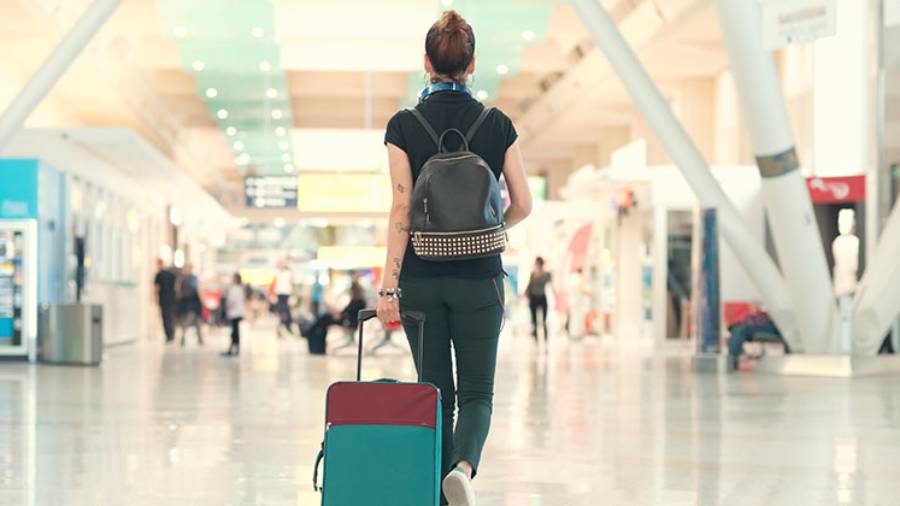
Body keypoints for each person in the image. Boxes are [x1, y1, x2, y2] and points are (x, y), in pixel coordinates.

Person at [377, 10, 532, 505]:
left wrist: (388, 287)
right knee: (477, 394)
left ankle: (438, 496)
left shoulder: (404, 125)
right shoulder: (497, 124)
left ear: (426, 62)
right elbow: (524, 203)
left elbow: (402, 208)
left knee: (435, 393)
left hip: (421, 279)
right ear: (472, 65)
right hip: (480, 283)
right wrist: (488, 234)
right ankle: (463, 469)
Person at [304, 281, 368, 355]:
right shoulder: (358, 301)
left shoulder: (358, 302)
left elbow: (346, 312)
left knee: (325, 318)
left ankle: (312, 333)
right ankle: (314, 334)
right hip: (347, 320)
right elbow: (346, 311)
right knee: (325, 318)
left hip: (349, 322)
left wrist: (338, 314)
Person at [176, 263, 204, 347]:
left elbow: (178, 290)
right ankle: (197, 338)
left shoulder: (184, 278)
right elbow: (198, 289)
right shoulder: (191, 278)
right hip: (191, 301)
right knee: (192, 319)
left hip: (188, 301)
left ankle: (197, 338)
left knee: (193, 320)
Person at [526, 257, 552, 342]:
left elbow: (551, 283)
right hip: (533, 298)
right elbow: (529, 286)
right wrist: (526, 295)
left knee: (544, 320)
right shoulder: (533, 274)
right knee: (534, 320)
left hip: (542, 298)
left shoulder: (546, 274)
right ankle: (536, 338)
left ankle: (545, 338)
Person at [153, 259, 177, 343]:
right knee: (170, 317)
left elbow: (156, 288)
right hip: (171, 299)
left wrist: (154, 299)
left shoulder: (159, 275)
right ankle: (172, 334)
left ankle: (169, 335)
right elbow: (176, 286)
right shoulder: (171, 274)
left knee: (165, 317)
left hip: (163, 299)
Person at [223, 273, 246, 357]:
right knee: (235, 331)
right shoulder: (240, 289)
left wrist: (228, 310)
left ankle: (232, 349)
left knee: (234, 332)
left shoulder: (234, 289)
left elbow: (232, 301)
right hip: (239, 312)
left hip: (234, 313)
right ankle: (235, 348)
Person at [273, 263, 294, 338]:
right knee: (282, 312)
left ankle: (286, 327)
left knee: (285, 312)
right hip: (280, 294)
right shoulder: (277, 273)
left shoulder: (288, 273)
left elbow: (291, 281)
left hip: (286, 294)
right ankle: (283, 328)